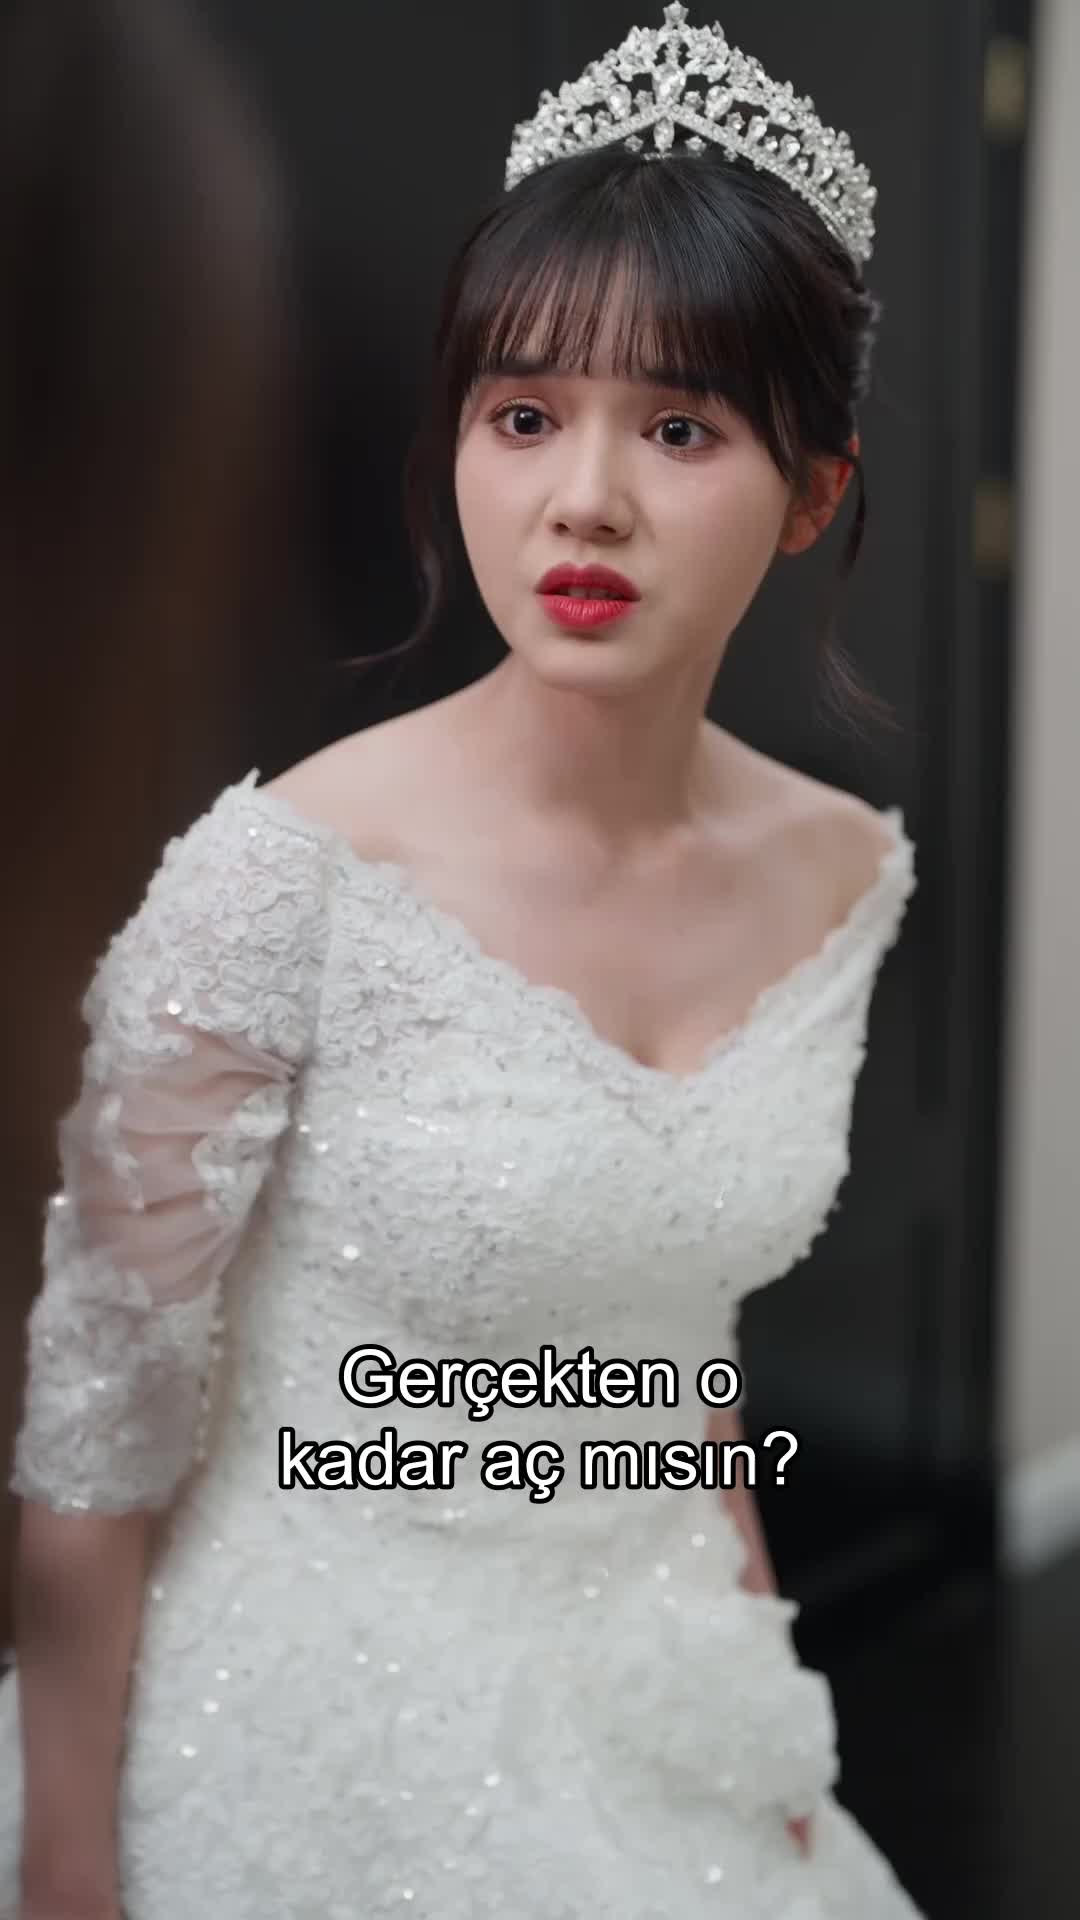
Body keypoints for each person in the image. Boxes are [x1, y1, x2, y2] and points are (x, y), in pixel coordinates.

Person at [0, 7, 924, 1916]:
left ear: (814, 492)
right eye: (525, 416)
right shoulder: (284, 877)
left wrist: (761, 1695)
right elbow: (97, 1422)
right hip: (295, 1695)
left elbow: (677, 1339)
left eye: (680, 428)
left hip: (656, 1677)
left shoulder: (842, 871)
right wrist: (71, 1857)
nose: (586, 497)